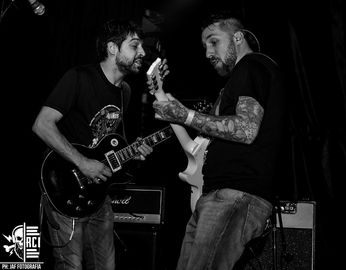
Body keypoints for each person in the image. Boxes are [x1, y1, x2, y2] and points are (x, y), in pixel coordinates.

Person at [151, 13, 287, 269]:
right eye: (205, 47)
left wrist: (186, 115)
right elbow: (196, 146)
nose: (208, 53)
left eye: (214, 42)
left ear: (238, 37)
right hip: (214, 195)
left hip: (236, 194)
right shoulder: (233, 85)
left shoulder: (252, 66)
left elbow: (246, 129)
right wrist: (162, 96)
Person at [32, 18, 156, 270]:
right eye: (134, 46)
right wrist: (82, 163)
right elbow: (42, 125)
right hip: (64, 185)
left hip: (99, 192)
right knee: (71, 266)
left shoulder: (126, 92)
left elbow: (107, 145)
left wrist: (133, 152)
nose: (142, 52)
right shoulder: (78, 77)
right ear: (112, 48)